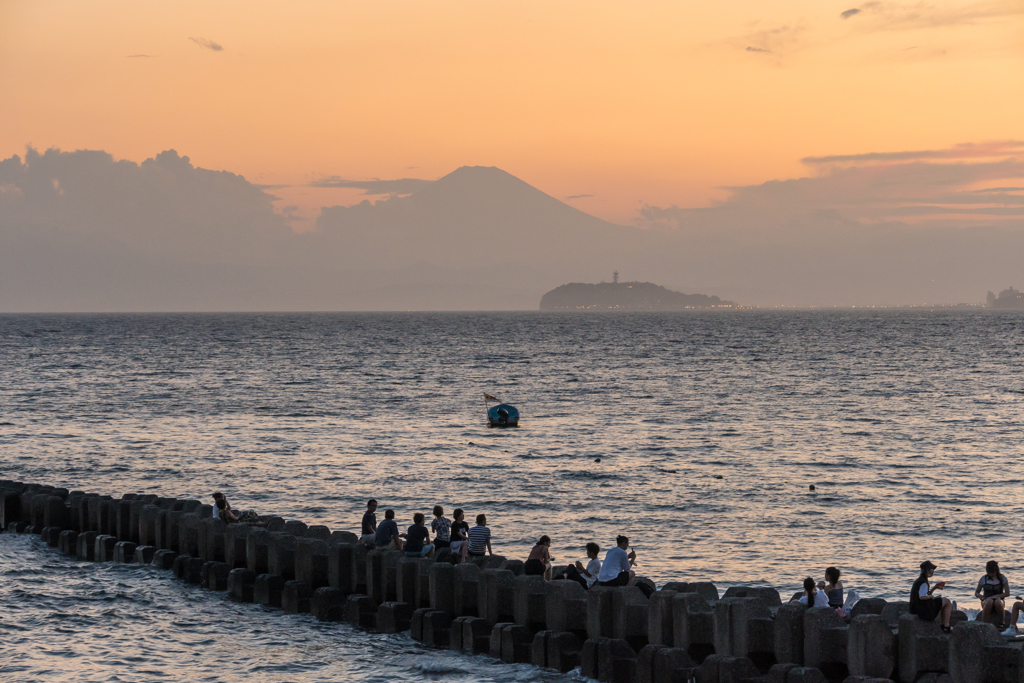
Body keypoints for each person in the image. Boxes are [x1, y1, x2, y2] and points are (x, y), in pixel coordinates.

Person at [910, 560, 953, 632]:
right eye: (932, 569)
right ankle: (946, 626)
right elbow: (922, 597)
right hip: (924, 612)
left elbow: (924, 594)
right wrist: (931, 597)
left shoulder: (919, 580)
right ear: (928, 570)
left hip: (917, 608)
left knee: (941, 600)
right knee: (947, 602)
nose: (933, 571)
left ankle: (943, 625)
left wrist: (934, 588)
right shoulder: (923, 582)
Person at [975, 560, 1010, 626]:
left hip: (999, 601)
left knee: (997, 601)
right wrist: (980, 596)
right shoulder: (984, 578)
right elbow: (976, 592)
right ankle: (984, 623)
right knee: (989, 601)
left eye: (992, 572)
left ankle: (1001, 623)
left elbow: (1007, 593)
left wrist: (995, 596)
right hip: (987, 601)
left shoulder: (1002, 578)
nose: (991, 574)